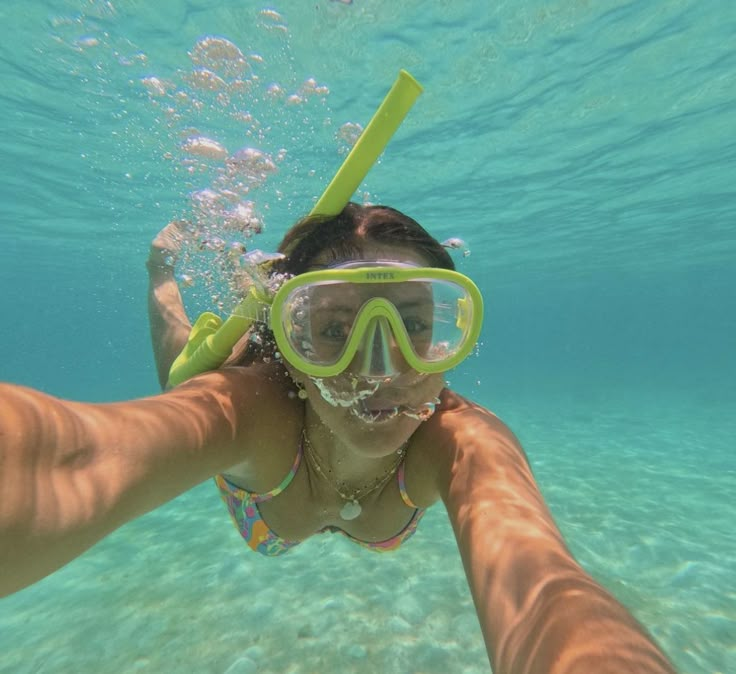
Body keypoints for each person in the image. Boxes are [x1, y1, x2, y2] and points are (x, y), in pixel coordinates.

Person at [0, 203, 676, 674]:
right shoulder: (252, 410)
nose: (379, 369)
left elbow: (545, 583)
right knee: (181, 371)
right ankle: (161, 275)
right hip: (261, 492)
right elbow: (75, 458)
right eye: (331, 330)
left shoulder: (460, 437)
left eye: (413, 324)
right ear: (290, 345)